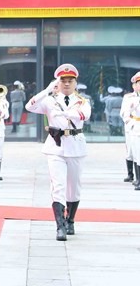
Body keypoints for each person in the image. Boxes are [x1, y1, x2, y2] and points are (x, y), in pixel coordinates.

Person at [25, 64, 91, 241]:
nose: (67, 84)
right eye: (63, 81)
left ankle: (70, 220)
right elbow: (29, 107)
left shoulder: (83, 101)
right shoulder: (50, 100)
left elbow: (85, 115)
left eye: (70, 81)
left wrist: (67, 115)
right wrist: (46, 90)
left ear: (76, 83)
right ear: (58, 82)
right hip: (56, 147)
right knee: (58, 186)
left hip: (76, 146)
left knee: (74, 187)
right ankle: (60, 225)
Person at [120, 72, 140, 188]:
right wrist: (131, 124)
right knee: (134, 153)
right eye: (138, 83)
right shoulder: (129, 98)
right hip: (135, 127)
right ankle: (135, 178)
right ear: (134, 86)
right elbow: (124, 113)